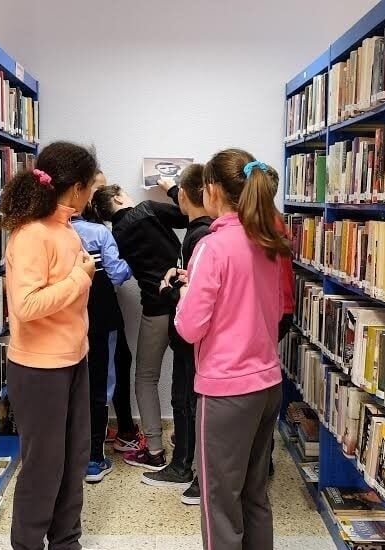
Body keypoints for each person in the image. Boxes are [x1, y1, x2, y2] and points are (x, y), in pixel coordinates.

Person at [174, 149, 290, 550]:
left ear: (211, 191)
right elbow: (268, 309)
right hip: (267, 383)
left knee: (219, 501)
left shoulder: (213, 245)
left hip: (226, 390)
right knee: (255, 493)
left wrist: (185, 291)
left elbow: (189, 328)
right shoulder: (268, 241)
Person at [0, 141, 98, 550]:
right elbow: (26, 305)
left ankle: (65, 540)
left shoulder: (65, 226)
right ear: (75, 187)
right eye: (90, 185)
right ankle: (27, 544)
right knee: (43, 465)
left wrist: (78, 275)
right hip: (39, 367)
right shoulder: (31, 234)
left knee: (74, 459)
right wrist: (80, 277)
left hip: (74, 358)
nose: (93, 194)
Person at [91, 183, 188, 469]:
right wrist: (173, 189)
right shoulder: (149, 209)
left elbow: (118, 272)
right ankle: (185, 440)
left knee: (146, 377)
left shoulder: (115, 235)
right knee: (187, 373)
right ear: (119, 197)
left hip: (155, 307)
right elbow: (187, 215)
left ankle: (154, 450)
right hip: (185, 302)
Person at [138, 165, 212, 506]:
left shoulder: (201, 235)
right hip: (189, 337)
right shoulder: (200, 228)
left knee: (186, 402)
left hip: (190, 336)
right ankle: (184, 465)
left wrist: (168, 289)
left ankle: (187, 469)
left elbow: (195, 297)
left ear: (185, 195)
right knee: (182, 400)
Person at [70, 173, 138, 483]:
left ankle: (73, 453)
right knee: (102, 385)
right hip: (101, 317)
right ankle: (94, 460)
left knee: (72, 385)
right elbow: (118, 273)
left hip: (66, 319)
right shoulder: (99, 233)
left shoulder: (53, 232)